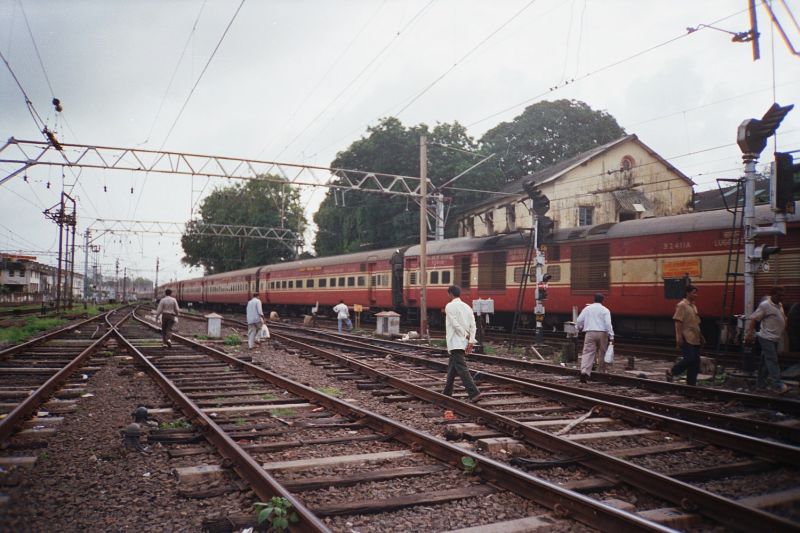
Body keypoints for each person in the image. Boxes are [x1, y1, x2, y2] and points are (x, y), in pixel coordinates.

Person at [442, 285, 484, 403]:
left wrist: (465, 335)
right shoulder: (467, 307)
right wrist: (470, 340)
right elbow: (473, 326)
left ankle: (474, 393)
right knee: (452, 367)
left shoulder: (449, 306)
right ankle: (446, 393)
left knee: (461, 368)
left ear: (450, 294)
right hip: (464, 341)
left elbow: (454, 324)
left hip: (455, 342)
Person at [745, 286, 788, 394]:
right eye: (779, 295)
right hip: (766, 337)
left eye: (782, 296)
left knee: (765, 362)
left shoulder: (779, 304)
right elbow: (755, 318)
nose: (781, 298)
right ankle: (777, 385)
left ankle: (760, 385)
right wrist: (749, 333)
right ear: (772, 294)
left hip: (775, 337)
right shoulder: (765, 305)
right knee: (772, 360)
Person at [666, 285, 703, 385]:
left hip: (695, 337)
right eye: (694, 293)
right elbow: (678, 321)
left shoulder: (693, 306)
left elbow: (696, 322)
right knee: (689, 358)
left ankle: (691, 384)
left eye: (696, 292)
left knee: (695, 363)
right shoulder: (682, 305)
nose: (696, 295)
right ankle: (672, 371)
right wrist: (679, 337)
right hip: (686, 336)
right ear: (687, 293)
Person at [575, 293, 614, 382]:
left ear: (594, 299)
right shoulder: (605, 310)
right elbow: (608, 324)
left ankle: (584, 371)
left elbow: (579, 320)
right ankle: (601, 371)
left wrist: (578, 328)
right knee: (602, 352)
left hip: (590, 333)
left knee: (587, 352)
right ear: (602, 300)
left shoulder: (587, 309)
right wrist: (611, 335)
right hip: (602, 333)